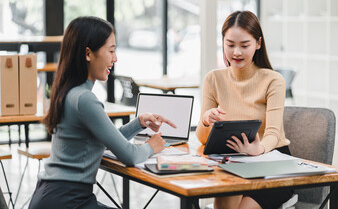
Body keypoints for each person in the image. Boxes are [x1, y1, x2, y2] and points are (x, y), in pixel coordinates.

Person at [28, 16, 176, 209]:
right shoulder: (85, 99)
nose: (115, 58)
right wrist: (151, 145)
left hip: (54, 196)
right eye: (111, 51)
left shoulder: (70, 92)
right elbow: (129, 155)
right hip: (67, 200)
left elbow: (101, 140)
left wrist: (138, 123)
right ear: (88, 53)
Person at [196, 11, 292, 209]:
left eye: (244, 45)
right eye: (230, 45)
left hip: (270, 162)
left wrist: (258, 149)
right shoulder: (213, 79)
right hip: (233, 161)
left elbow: (273, 133)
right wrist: (206, 120)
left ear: (258, 43)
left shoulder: (273, 80)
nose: (236, 52)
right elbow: (203, 138)